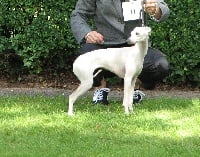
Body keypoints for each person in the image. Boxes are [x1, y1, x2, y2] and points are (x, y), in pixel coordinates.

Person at [70, 0, 170, 105]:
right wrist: (87, 33)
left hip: (135, 46)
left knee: (160, 66)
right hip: (105, 44)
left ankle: (134, 86)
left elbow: (164, 9)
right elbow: (78, 14)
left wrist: (156, 10)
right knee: (84, 56)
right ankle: (100, 87)